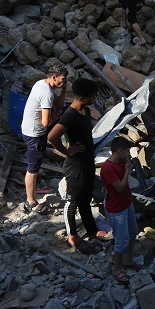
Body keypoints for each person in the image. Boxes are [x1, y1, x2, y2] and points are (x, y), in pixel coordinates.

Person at [48, 78, 111, 254]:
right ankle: (73, 236)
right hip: (75, 166)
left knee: (86, 198)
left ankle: (92, 230)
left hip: (87, 162)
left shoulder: (86, 110)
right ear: (82, 98)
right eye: (92, 96)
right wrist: (66, 151)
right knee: (73, 200)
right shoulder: (70, 115)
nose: (94, 99)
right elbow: (52, 136)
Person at [21, 64, 68, 214]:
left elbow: (58, 105)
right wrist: (55, 117)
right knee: (32, 170)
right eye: (63, 79)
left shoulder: (41, 83)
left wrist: (64, 89)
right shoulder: (46, 93)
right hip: (35, 134)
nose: (64, 82)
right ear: (54, 77)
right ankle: (31, 202)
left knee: (34, 167)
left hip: (29, 129)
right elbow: (46, 122)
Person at [100, 137, 141, 284]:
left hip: (126, 203)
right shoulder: (108, 168)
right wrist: (127, 171)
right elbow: (120, 188)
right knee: (121, 240)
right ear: (120, 151)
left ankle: (127, 260)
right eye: (127, 151)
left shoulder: (121, 162)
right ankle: (117, 269)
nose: (129, 154)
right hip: (116, 209)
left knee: (132, 233)